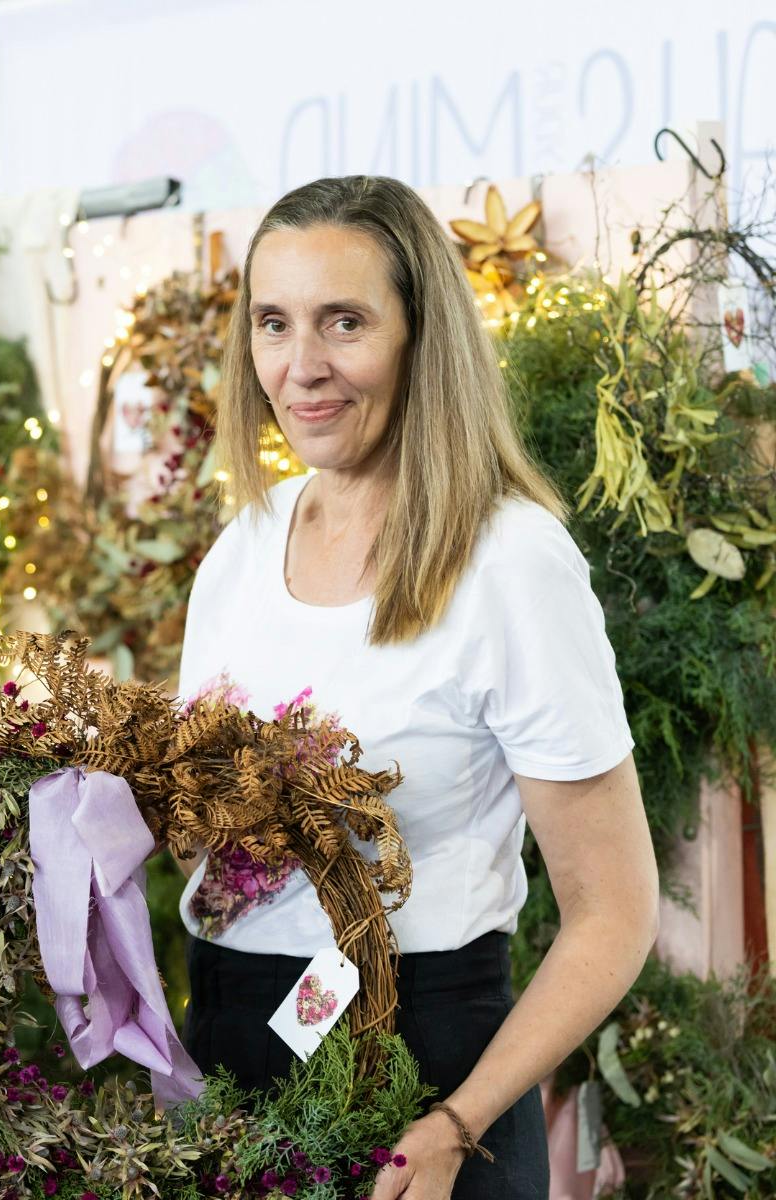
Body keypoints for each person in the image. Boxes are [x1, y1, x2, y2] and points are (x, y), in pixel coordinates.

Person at [175, 175, 658, 1200]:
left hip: (425, 1087)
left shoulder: (509, 563)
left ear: (420, 337)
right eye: (273, 322)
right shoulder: (242, 548)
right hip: (227, 1057)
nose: (301, 365)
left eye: (344, 322)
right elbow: (206, 833)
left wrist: (453, 1127)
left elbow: (615, 913)